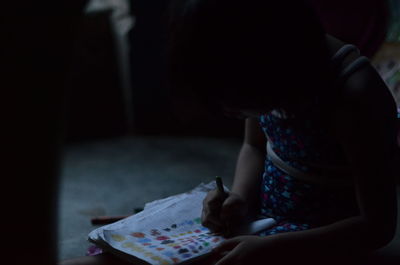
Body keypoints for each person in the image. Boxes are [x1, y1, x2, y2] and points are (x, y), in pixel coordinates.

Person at [59, 0, 399, 264]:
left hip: (323, 237)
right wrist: (240, 196)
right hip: (263, 218)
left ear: (266, 61)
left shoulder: (354, 97)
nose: (231, 113)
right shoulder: (275, 70)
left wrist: (273, 248)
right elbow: (254, 146)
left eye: (237, 104)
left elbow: (377, 227)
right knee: (137, 244)